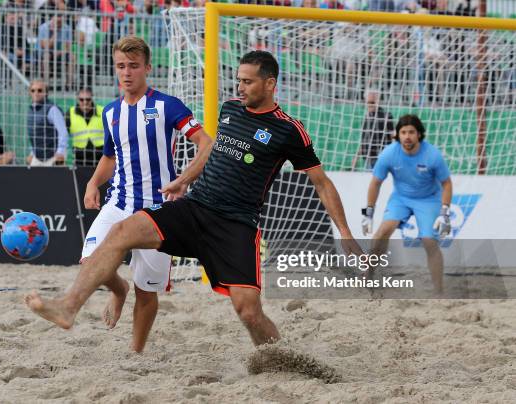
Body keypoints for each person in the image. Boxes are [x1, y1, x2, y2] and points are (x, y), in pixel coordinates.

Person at [25, 50, 362, 347]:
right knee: (121, 232)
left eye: (247, 82)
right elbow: (216, 156)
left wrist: (345, 233)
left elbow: (321, 183)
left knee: (249, 312)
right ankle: (68, 307)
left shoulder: (289, 129)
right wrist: (184, 180)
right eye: (238, 80)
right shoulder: (230, 109)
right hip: (194, 208)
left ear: (270, 84)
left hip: (235, 226)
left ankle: (279, 357)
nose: (239, 88)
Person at [80, 36, 212, 353]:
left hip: (158, 211)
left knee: (147, 292)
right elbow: (111, 156)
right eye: (121, 66)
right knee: (90, 264)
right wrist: (92, 183)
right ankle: (117, 289)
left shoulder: (167, 106)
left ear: (147, 68)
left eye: (134, 66)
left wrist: (184, 179)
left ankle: (135, 353)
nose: (127, 73)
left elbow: (206, 143)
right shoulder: (110, 112)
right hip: (119, 203)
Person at [361, 114, 452, 294]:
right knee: (381, 232)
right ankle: (368, 276)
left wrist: (444, 213)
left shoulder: (432, 154)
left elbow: (447, 183)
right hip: (401, 198)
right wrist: (368, 213)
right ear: (397, 135)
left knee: (429, 241)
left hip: (428, 199)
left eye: (411, 132)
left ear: (419, 134)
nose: (407, 136)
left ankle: (439, 293)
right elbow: (375, 183)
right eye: (403, 132)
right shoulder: (389, 153)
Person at [26, 79, 69, 166]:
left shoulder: (52, 109)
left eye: (40, 90)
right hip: (37, 156)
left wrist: (60, 152)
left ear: (46, 93)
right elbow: (34, 135)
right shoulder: (31, 110)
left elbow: (63, 132)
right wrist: (32, 153)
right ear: (29, 93)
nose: (36, 93)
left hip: (53, 156)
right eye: (33, 90)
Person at [352, 89, 394, 170]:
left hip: (381, 158)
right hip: (368, 159)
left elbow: (393, 137)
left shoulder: (386, 116)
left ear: (378, 101)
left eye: (372, 102)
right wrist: (356, 157)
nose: (370, 105)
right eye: (368, 102)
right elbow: (364, 141)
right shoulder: (366, 117)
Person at [66, 87, 104, 167]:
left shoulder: (102, 111)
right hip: (79, 158)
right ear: (77, 99)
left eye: (88, 99)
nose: (85, 102)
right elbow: (62, 134)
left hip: (100, 158)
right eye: (81, 99)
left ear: (92, 99)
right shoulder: (70, 113)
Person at [37, 14, 73, 89]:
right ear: (52, 20)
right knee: (47, 55)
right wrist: (55, 33)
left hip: (59, 52)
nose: (59, 25)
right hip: (44, 52)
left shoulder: (67, 28)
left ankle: (69, 85)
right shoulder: (43, 27)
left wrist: (60, 52)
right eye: (57, 22)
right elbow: (45, 46)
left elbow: (68, 47)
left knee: (71, 57)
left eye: (60, 23)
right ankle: (46, 85)